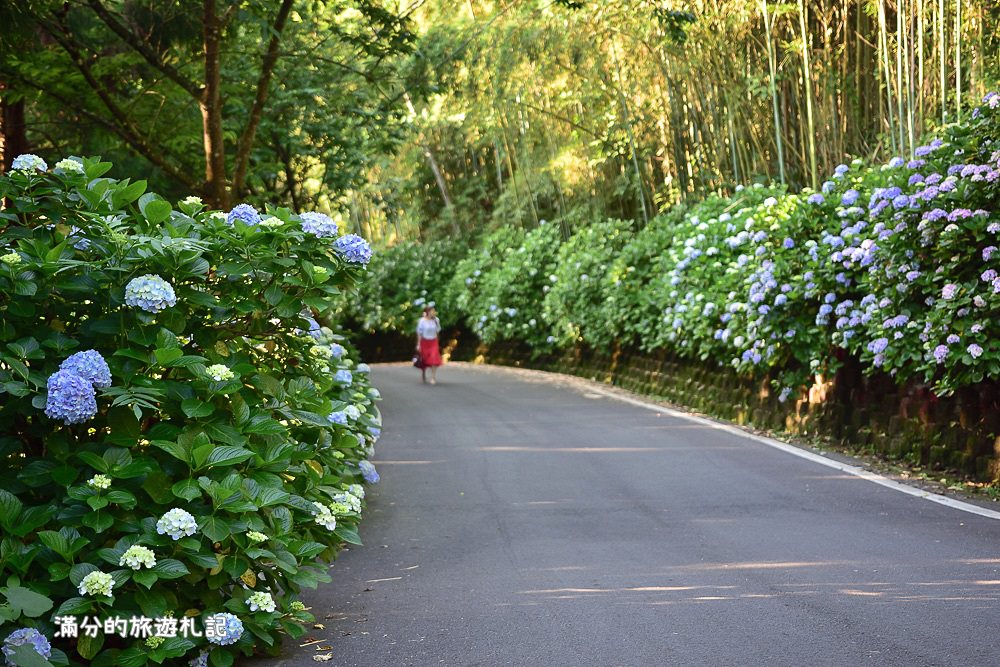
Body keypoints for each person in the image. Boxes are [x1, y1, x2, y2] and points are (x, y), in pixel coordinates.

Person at [415, 305, 443, 384]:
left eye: (434, 311)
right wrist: (418, 344)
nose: (433, 313)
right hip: (424, 341)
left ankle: (433, 377)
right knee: (424, 359)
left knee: (434, 358)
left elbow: (438, 331)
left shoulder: (436, 320)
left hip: (433, 341)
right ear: (427, 312)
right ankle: (423, 372)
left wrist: (437, 341)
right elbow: (419, 333)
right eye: (432, 311)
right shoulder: (422, 321)